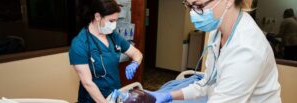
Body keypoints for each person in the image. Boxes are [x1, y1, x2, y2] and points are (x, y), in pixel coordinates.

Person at [146, 0, 281, 102]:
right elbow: (207, 83)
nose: (192, 14)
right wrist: (169, 95)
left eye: (199, 6)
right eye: (189, 6)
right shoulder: (217, 31)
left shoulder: (247, 50)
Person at [68, 0, 143, 102]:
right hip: (92, 99)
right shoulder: (80, 44)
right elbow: (87, 82)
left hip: (115, 94)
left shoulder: (113, 36)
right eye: (111, 21)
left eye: (116, 20)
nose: (114, 25)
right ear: (97, 16)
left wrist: (135, 62)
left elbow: (136, 53)